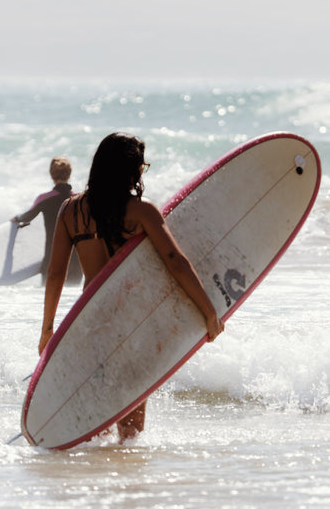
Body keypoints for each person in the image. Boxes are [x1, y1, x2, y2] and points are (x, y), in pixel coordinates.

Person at [39, 133, 224, 440]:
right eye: (141, 166)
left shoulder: (71, 211)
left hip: (88, 325)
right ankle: (124, 477)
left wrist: (48, 329)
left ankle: (94, 474)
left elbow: (56, 273)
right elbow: (175, 261)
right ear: (130, 170)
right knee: (131, 431)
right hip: (130, 326)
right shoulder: (141, 211)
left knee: (96, 420)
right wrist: (209, 311)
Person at [12, 157, 82, 285]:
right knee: (71, 301)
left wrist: (17, 218)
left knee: (49, 301)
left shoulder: (44, 199)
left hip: (52, 258)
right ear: (69, 174)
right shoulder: (79, 199)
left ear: (51, 175)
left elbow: (27, 216)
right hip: (76, 261)